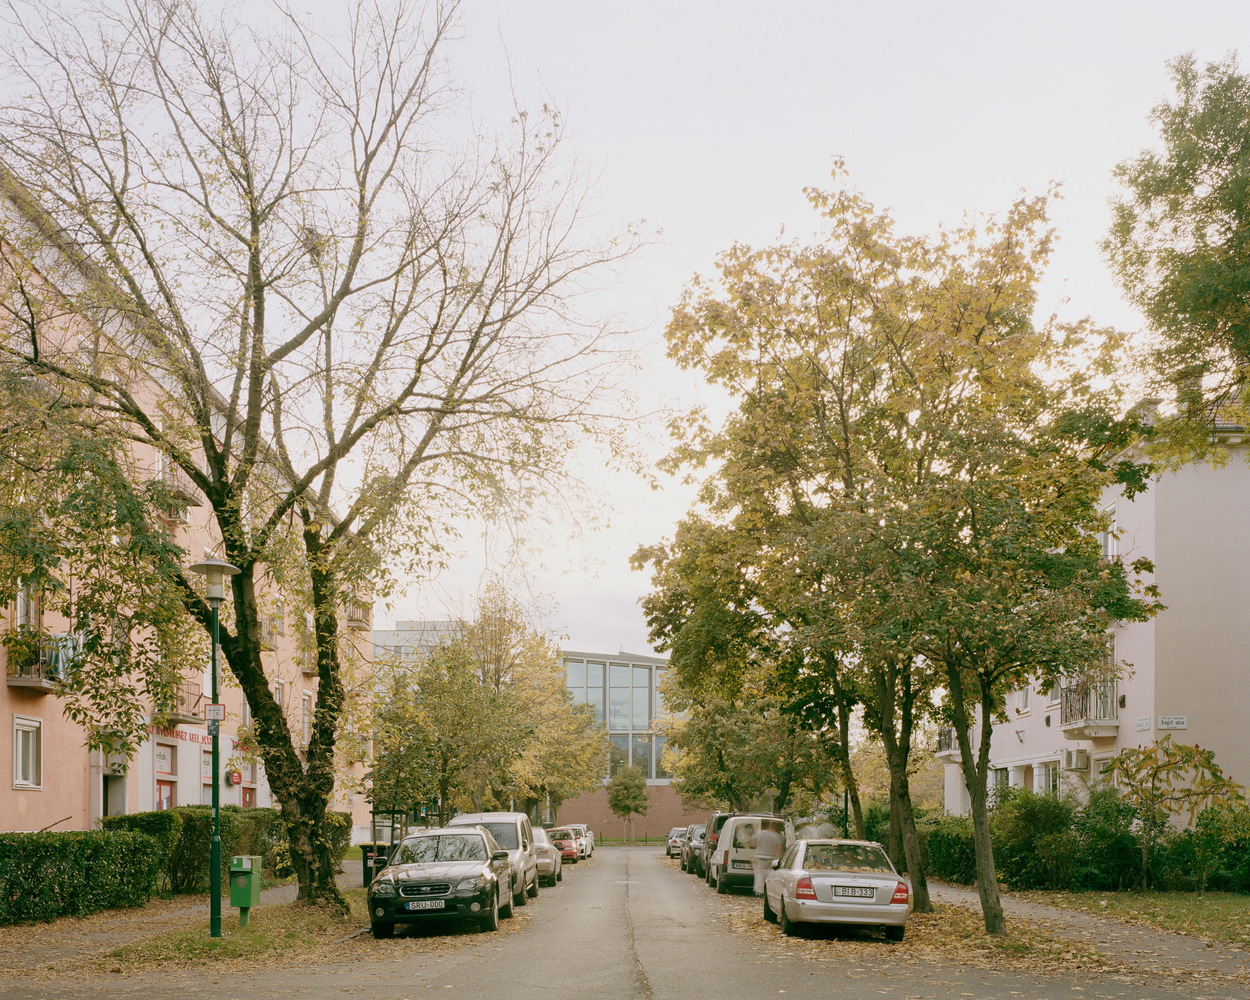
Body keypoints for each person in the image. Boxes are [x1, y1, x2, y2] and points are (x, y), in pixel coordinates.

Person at [753, 821, 782, 896]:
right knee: (769, 875)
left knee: (760, 874)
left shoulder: (760, 834)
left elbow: (756, 843)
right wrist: (778, 858)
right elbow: (776, 848)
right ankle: (768, 892)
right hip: (771, 858)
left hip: (760, 857)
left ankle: (758, 892)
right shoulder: (776, 836)